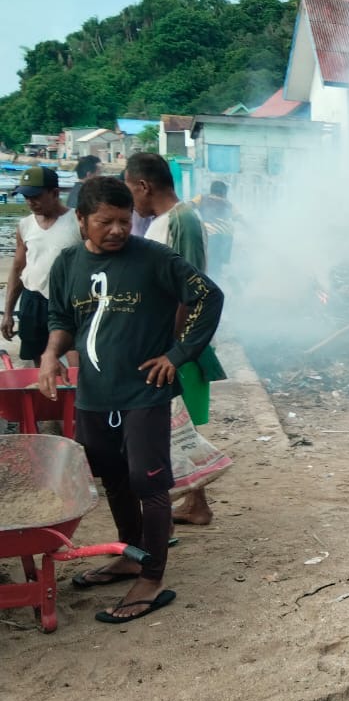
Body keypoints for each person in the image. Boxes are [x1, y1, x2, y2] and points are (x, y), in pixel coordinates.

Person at [38, 176, 223, 623]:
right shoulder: (67, 263)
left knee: (149, 481)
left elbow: (208, 296)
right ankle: (131, 553)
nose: (118, 230)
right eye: (106, 222)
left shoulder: (154, 259)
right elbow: (63, 317)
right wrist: (50, 354)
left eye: (125, 221)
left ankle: (152, 576)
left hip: (145, 392)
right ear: (81, 220)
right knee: (112, 477)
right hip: (94, 395)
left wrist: (178, 355)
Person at [126, 152, 222, 526]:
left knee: (178, 421)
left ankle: (193, 503)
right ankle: (193, 501)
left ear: (143, 186)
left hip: (175, 343)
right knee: (175, 422)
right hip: (164, 338)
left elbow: (192, 286)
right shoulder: (166, 221)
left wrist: (176, 346)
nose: (131, 201)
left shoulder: (182, 220)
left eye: (131, 190)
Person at [3, 167, 82, 365]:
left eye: (36, 196)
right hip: (33, 300)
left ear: (54, 193)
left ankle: (77, 393)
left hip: (68, 302)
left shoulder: (78, 222)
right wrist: (8, 312)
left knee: (76, 358)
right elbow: (18, 269)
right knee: (39, 362)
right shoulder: (25, 225)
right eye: (26, 197)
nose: (30, 202)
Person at [193, 180, 239, 282]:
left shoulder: (202, 197)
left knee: (208, 261)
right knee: (218, 263)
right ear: (224, 193)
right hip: (227, 235)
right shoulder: (228, 204)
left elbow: (189, 205)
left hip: (211, 233)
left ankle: (209, 282)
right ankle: (217, 281)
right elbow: (240, 218)